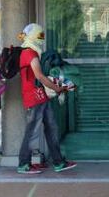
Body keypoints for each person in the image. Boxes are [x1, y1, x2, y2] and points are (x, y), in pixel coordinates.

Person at [17, 23, 77, 174]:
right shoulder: (29, 53)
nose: (42, 39)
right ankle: (24, 164)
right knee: (32, 132)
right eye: (40, 36)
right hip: (34, 97)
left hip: (40, 96)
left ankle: (58, 162)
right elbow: (39, 76)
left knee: (51, 129)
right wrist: (57, 88)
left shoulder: (31, 52)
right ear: (32, 36)